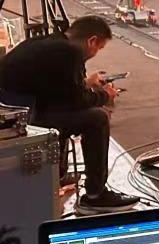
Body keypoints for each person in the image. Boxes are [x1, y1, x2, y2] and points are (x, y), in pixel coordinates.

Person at [0, 15, 141, 214]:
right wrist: (104, 96)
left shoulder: (49, 42)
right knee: (97, 118)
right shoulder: (70, 52)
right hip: (24, 120)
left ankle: (57, 174)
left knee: (75, 113)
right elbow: (75, 101)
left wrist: (86, 83)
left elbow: (57, 89)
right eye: (99, 48)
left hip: (16, 108)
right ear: (92, 41)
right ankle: (95, 195)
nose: (95, 53)